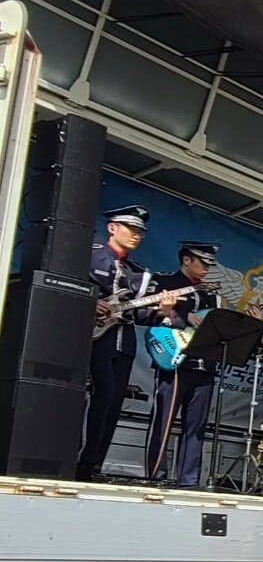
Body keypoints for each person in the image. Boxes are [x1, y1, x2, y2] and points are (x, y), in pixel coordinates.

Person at [79, 205, 178, 482]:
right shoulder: (90, 254)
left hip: (123, 339)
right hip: (89, 335)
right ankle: (77, 456)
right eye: (132, 229)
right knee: (96, 391)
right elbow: (69, 286)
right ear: (113, 227)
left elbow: (140, 313)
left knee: (112, 399)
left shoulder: (139, 273)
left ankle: (93, 463)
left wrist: (163, 310)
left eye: (140, 232)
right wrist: (91, 302)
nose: (137, 236)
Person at [143, 241, 226, 486]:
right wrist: (180, 316)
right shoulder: (165, 283)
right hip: (173, 360)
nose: (207, 269)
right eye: (203, 262)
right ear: (187, 259)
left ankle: (188, 480)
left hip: (205, 364)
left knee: (197, 428)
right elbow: (147, 315)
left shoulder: (211, 293)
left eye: (211, 264)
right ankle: (155, 475)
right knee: (163, 422)